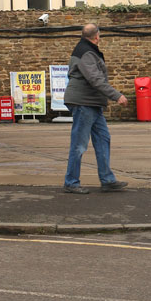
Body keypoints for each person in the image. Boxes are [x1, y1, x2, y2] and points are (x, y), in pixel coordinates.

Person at [63, 23, 129, 193]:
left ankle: (107, 180)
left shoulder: (87, 50)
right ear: (97, 36)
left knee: (103, 139)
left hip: (92, 103)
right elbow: (96, 79)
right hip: (83, 103)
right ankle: (71, 182)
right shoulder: (86, 53)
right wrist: (117, 95)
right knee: (79, 144)